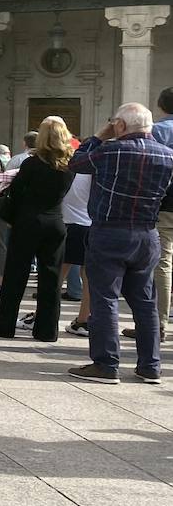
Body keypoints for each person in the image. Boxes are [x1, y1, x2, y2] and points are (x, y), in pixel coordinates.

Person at [66, 103, 173, 384]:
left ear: (121, 126)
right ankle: (150, 366)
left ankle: (106, 364)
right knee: (145, 302)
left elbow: (74, 163)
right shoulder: (168, 155)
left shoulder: (110, 150)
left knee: (105, 299)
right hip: (147, 233)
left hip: (109, 231)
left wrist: (99, 136)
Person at [0, 116, 74, 343]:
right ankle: (47, 331)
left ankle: (4, 326)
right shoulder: (69, 165)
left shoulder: (32, 163)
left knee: (16, 276)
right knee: (51, 280)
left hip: (28, 222)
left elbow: (15, 193)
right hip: (55, 221)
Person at [145, 87, 173, 341]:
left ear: (160, 105)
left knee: (162, 263)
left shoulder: (158, 131)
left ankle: (158, 324)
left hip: (165, 205)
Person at [63, 171, 94, 337]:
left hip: (71, 223)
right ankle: (83, 320)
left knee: (57, 273)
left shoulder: (74, 171)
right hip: (90, 223)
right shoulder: (98, 169)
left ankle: (43, 315)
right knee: (88, 275)